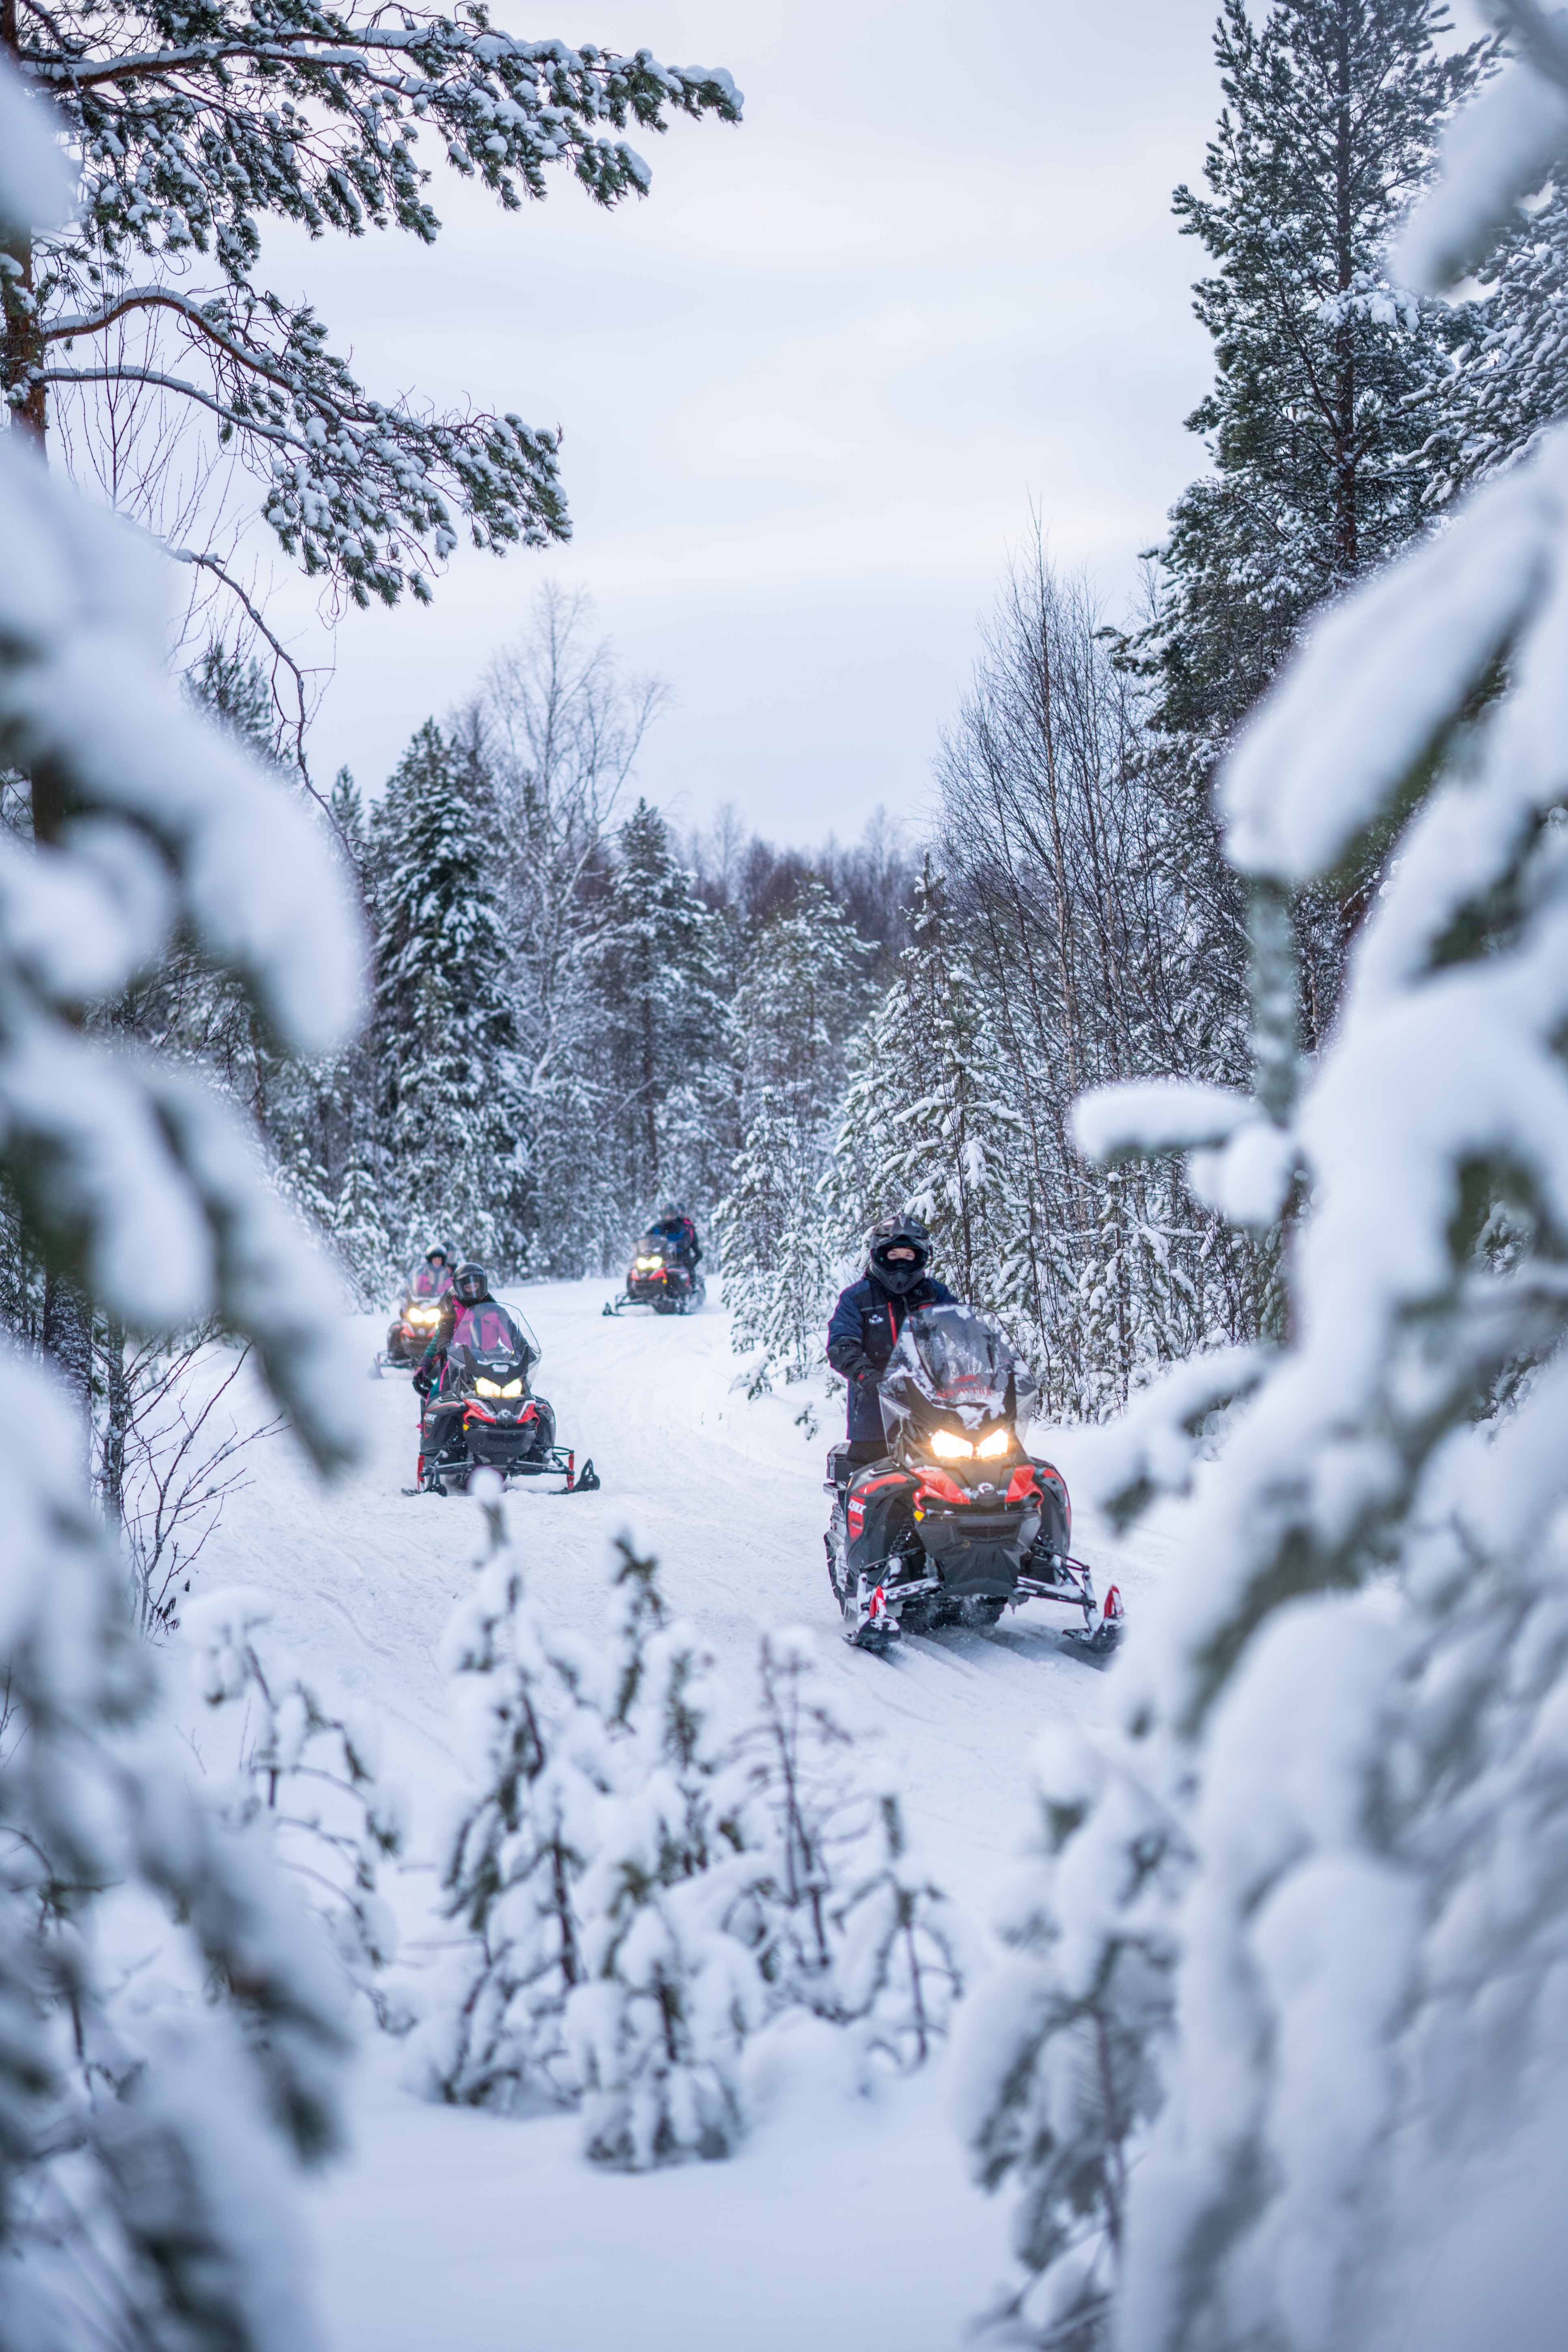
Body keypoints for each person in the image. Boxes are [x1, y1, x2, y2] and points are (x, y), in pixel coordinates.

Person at [825, 1214, 954, 1460]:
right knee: (870, 1478)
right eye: (893, 1256)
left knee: (962, 1474)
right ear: (880, 1255)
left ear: (921, 1258)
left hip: (932, 1406)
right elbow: (842, 1345)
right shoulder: (857, 1298)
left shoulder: (934, 1293)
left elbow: (964, 1328)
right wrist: (869, 1377)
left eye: (909, 1256)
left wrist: (988, 1364)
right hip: (876, 1409)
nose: (901, 1264)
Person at [414, 1262, 530, 1466]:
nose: (473, 1290)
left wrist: (523, 1352)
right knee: (436, 1397)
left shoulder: (497, 1312)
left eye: (477, 1285)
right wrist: (425, 1364)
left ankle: (536, 1447)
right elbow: (440, 1339)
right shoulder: (453, 1312)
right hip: (461, 1368)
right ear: (459, 1288)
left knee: (525, 1397)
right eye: (468, 1287)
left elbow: (513, 1335)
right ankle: (431, 1454)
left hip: (493, 1366)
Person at [650, 1201, 702, 1267]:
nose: (668, 1217)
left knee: (687, 1266)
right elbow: (650, 1236)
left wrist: (679, 1244)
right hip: (660, 1255)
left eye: (670, 1215)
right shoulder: (659, 1227)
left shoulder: (683, 1226)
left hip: (678, 1255)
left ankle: (691, 1275)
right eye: (667, 1214)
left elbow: (687, 1238)